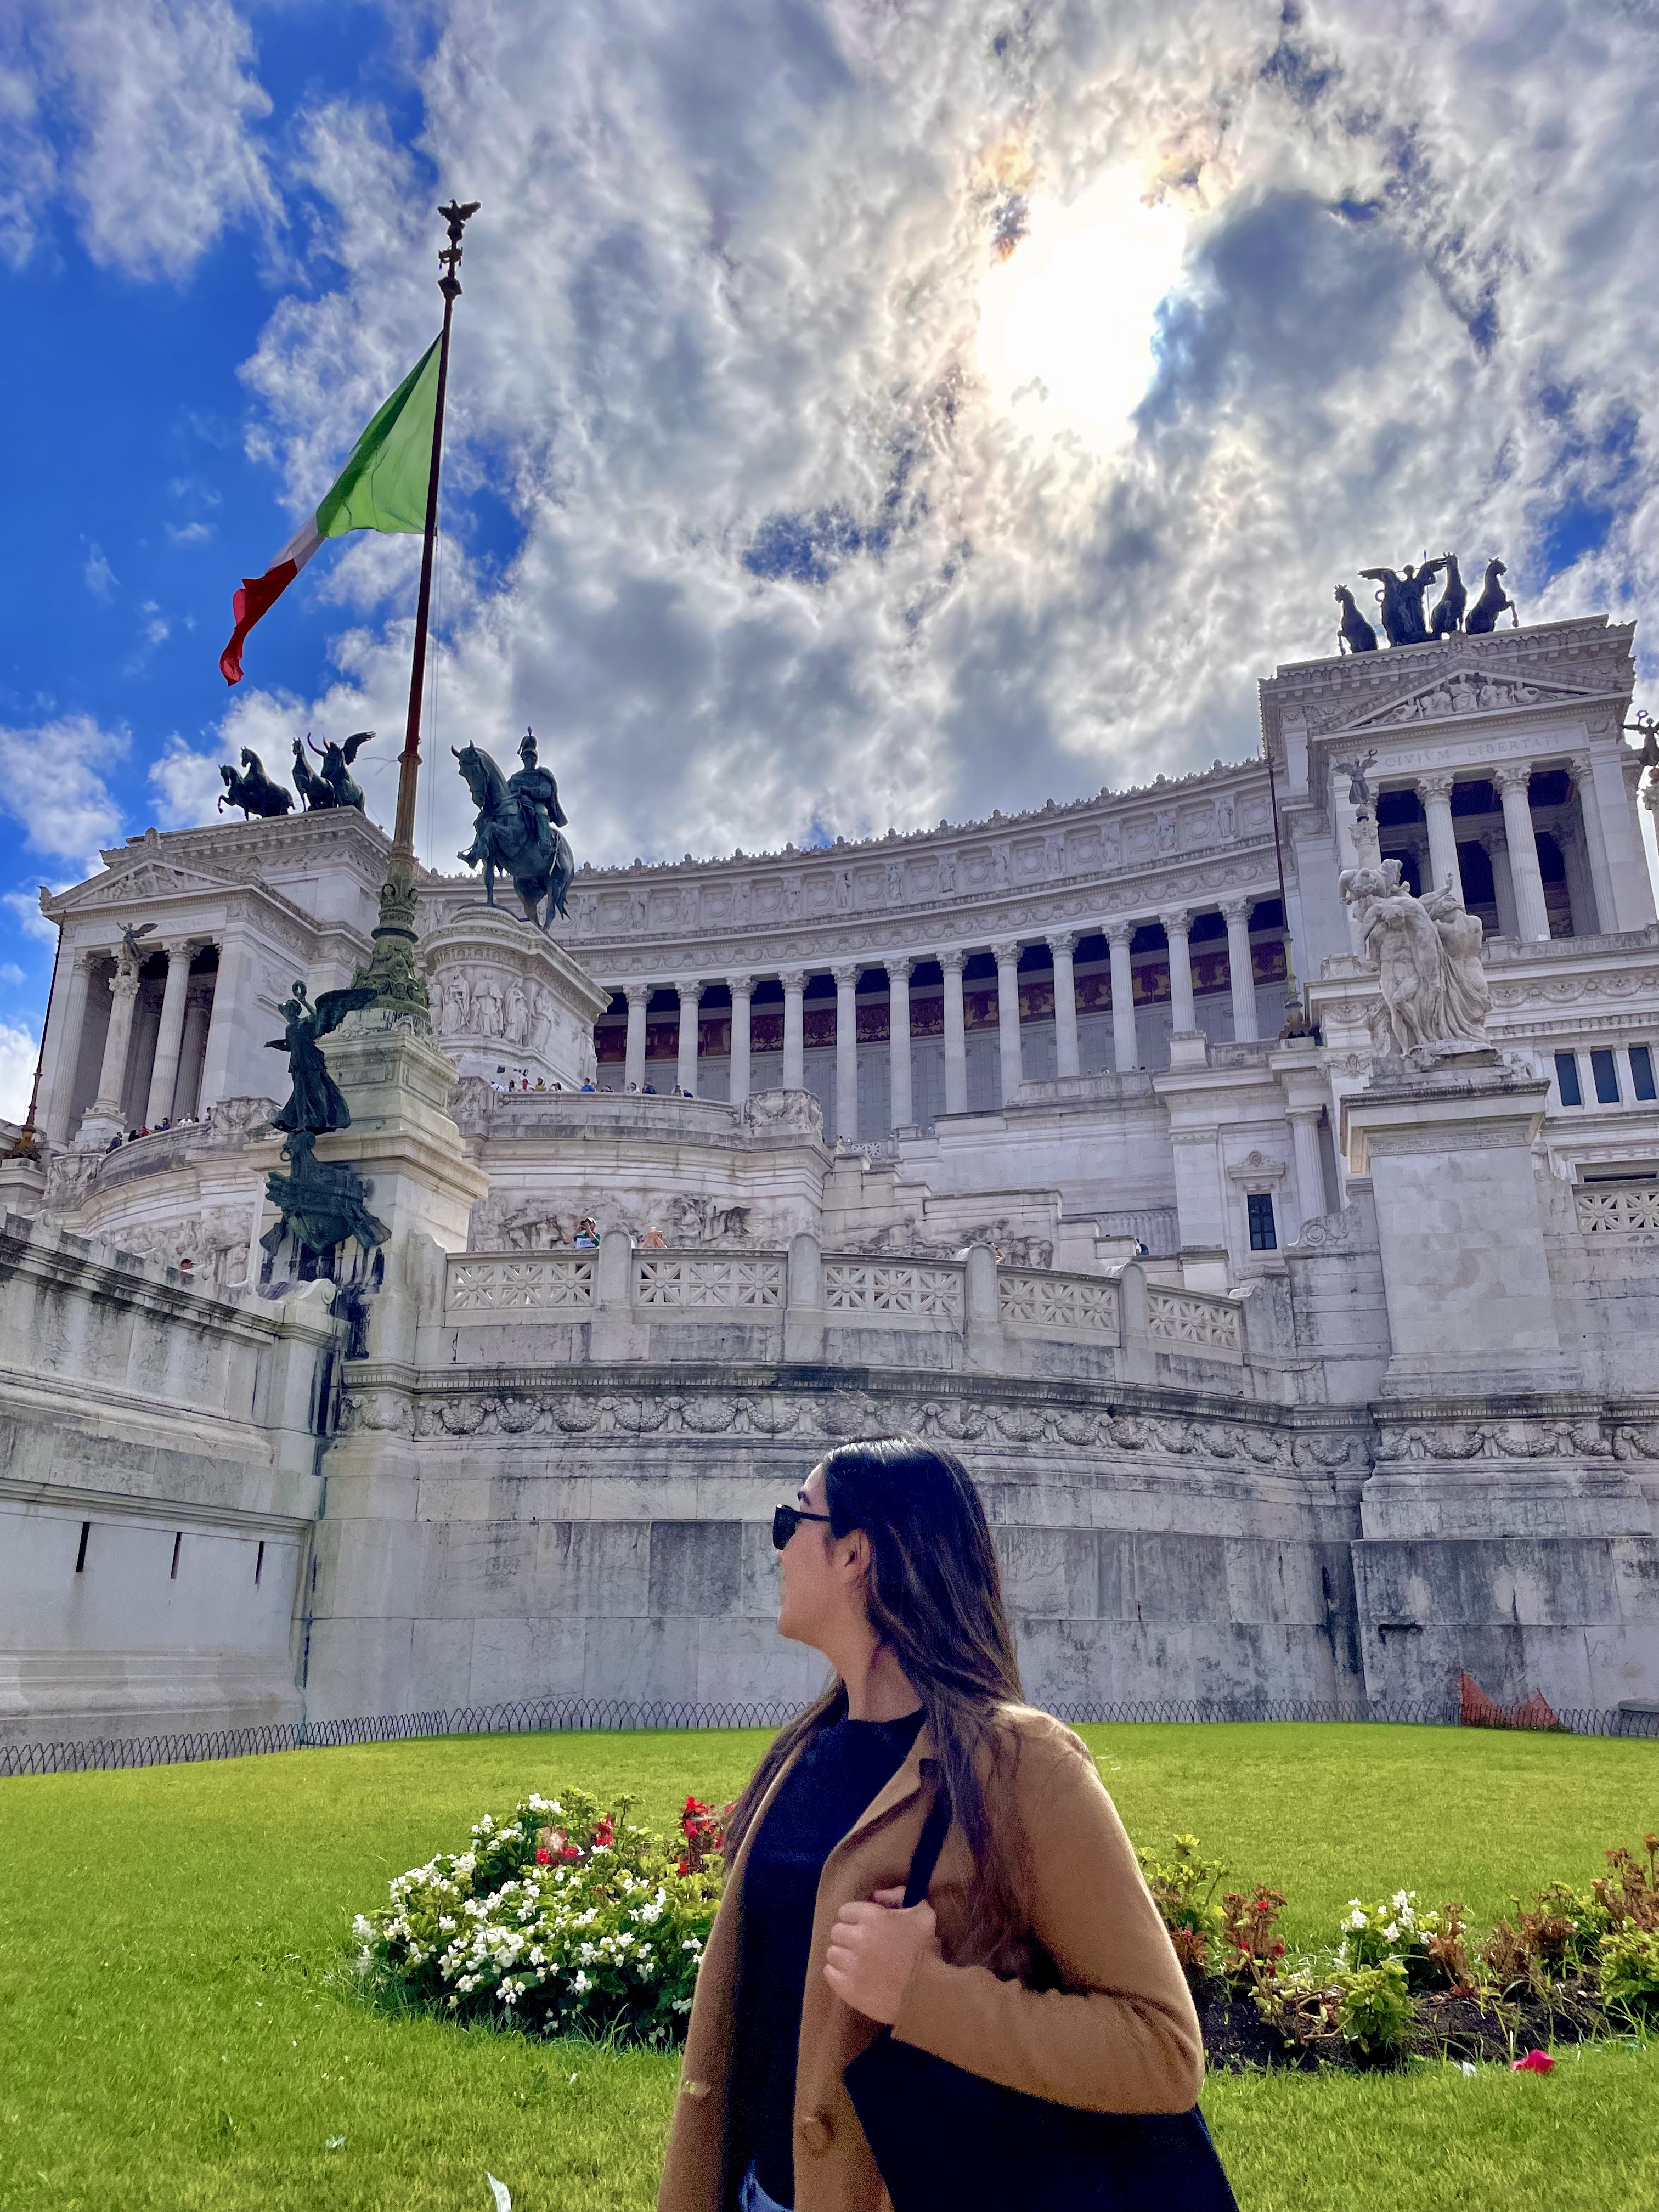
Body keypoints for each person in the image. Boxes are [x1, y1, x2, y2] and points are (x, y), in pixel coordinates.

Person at [657, 1438, 1204, 2212]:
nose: (778, 1548)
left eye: (793, 1521)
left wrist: (924, 1994)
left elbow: (1164, 2050)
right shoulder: (807, 1752)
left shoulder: (1023, 1764)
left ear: (855, 1552)